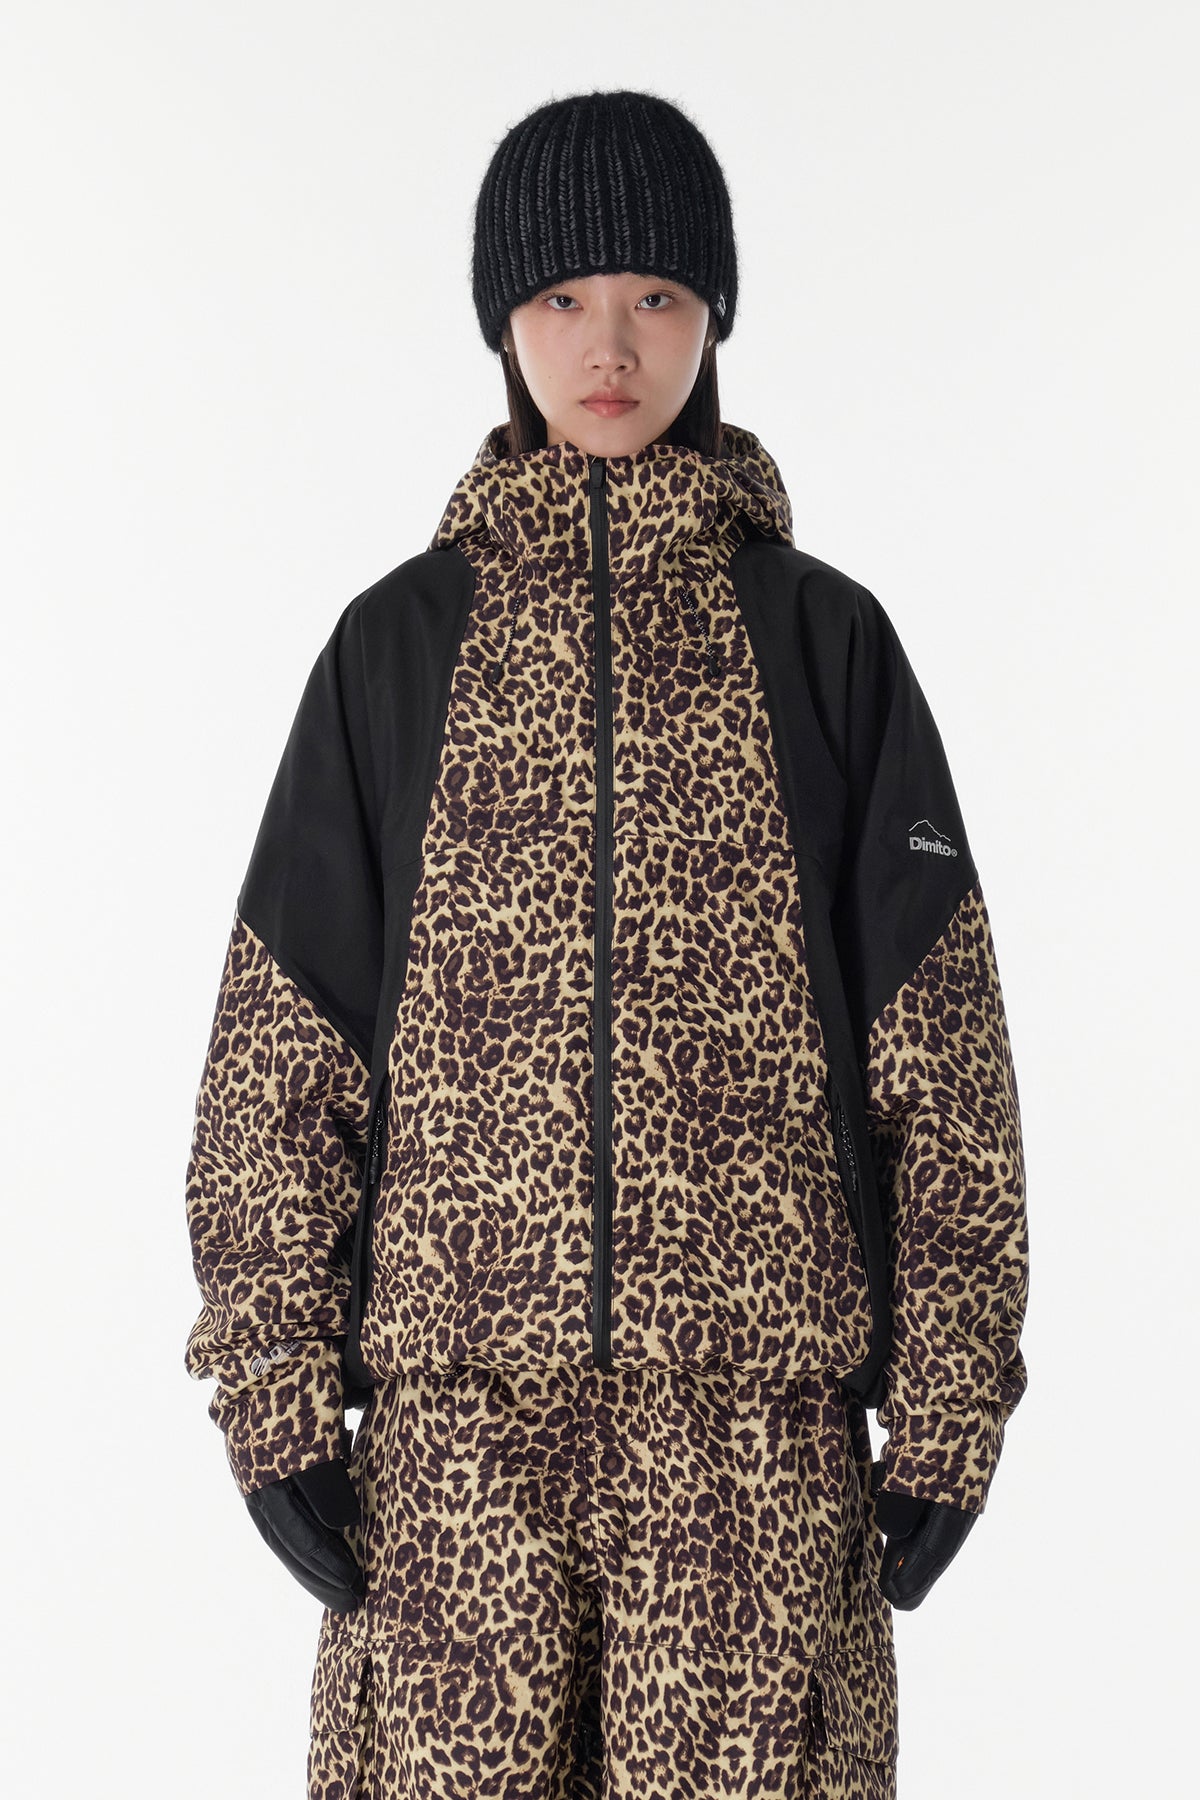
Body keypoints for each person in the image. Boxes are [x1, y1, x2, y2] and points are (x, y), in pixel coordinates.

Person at [182, 88, 1029, 1800]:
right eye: (563, 296)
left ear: (715, 312)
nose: (610, 344)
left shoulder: (824, 645)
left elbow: (943, 1056)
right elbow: (283, 1044)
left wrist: (948, 1402)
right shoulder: (395, 652)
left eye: (656, 293)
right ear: (503, 319)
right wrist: (273, 1390)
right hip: (454, 1455)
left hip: (753, 1455)